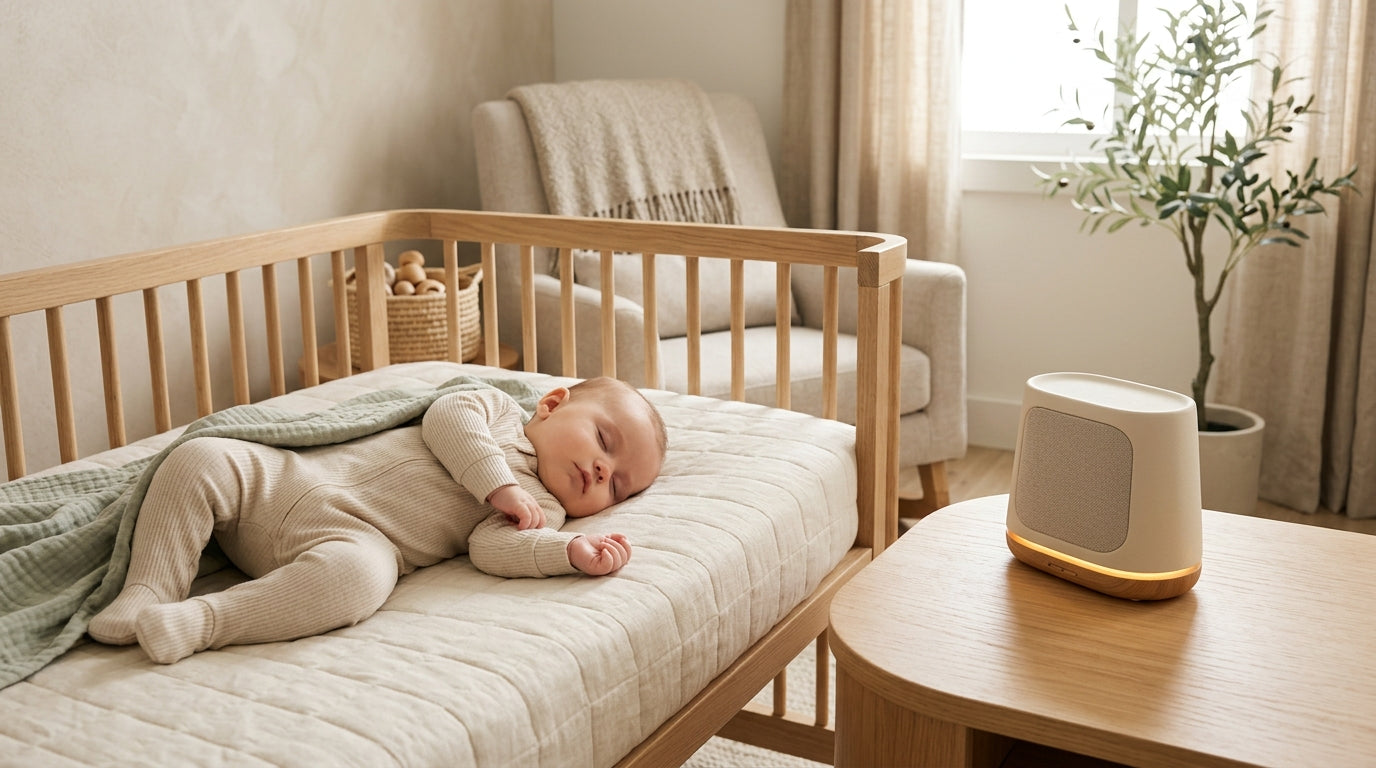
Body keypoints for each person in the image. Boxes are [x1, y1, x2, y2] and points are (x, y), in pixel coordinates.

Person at [86, 376, 667, 664]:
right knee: (201, 457)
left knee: (364, 579)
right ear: (553, 403)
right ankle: (148, 587)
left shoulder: (552, 511)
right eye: (603, 440)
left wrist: (564, 553)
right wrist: (500, 485)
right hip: (287, 478)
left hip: (353, 538)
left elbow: (493, 550)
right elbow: (446, 416)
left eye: (616, 483)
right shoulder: (493, 409)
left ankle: (201, 621)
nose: (599, 469)